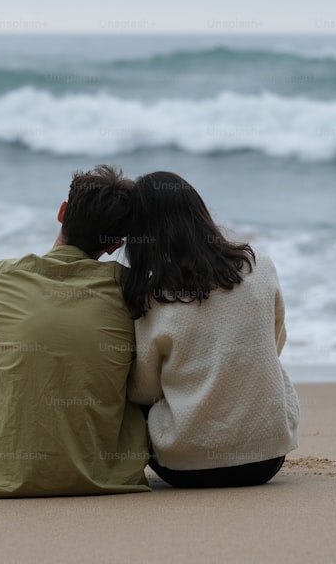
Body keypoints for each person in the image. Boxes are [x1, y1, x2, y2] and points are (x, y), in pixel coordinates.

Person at [0, 165, 150, 499]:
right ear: (113, 245)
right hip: (107, 476)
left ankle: (1, 444)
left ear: (62, 212)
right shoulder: (128, 287)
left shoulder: (4, 278)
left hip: (3, 477)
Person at [122, 171, 300, 488]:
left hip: (185, 467)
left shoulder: (150, 297)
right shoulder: (259, 265)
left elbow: (143, 391)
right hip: (266, 459)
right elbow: (276, 343)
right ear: (199, 212)